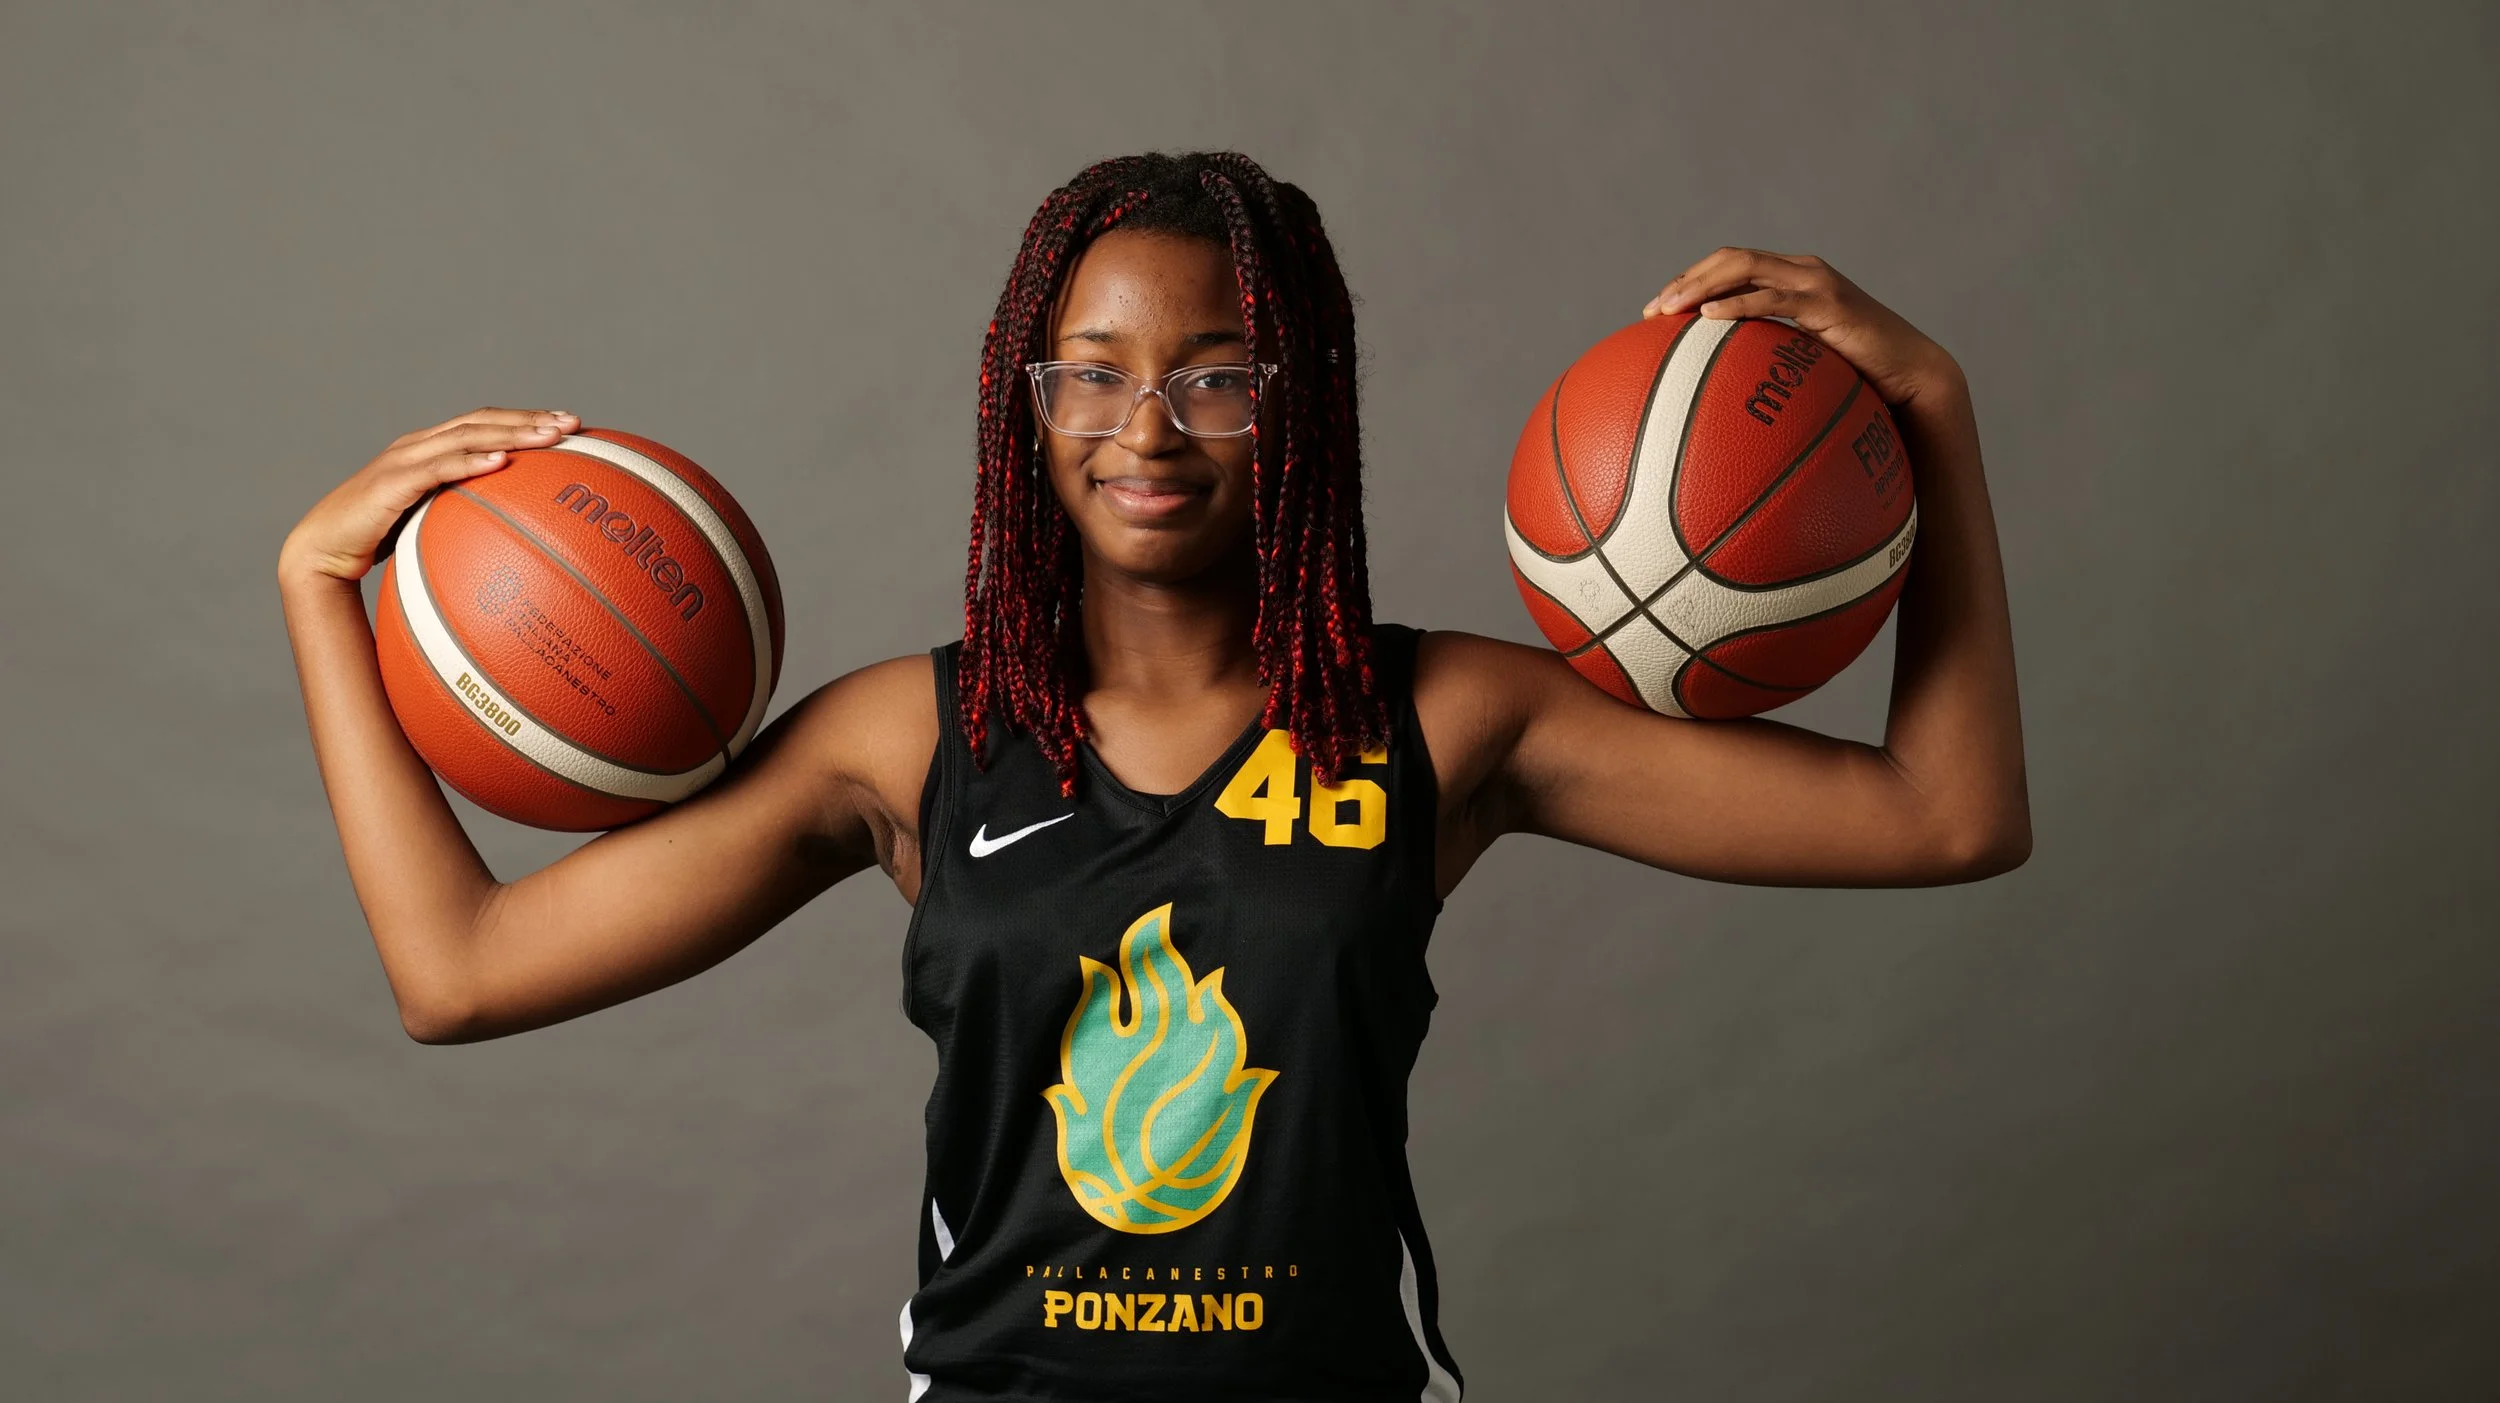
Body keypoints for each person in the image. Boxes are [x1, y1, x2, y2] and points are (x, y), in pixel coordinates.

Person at [277, 150, 2028, 1402]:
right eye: (1092, 378)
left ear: (1303, 405)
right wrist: (318, 591)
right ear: (1021, 414)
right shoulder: (913, 738)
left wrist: (1929, 412)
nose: (1146, 430)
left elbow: (1945, 816)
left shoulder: (1444, 721)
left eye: (1216, 377)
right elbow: (460, 974)